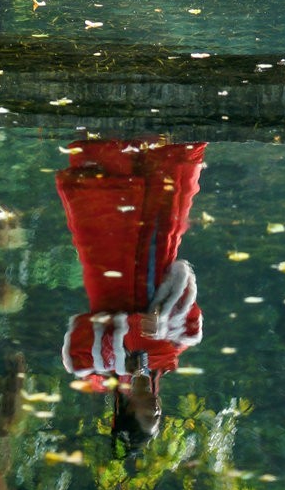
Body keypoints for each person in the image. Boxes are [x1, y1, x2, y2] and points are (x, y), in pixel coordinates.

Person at [55, 136, 207, 453]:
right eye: (159, 416)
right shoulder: (165, 361)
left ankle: (108, 137)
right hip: (156, 253)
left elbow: (81, 332)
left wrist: (134, 338)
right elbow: (190, 311)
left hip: (109, 261)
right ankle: (170, 141)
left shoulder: (95, 369)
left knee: (104, 173)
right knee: (172, 175)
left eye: (148, 415)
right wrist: (163, 317)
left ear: (126, 411)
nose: (157, 409)